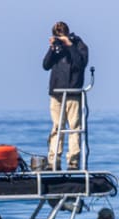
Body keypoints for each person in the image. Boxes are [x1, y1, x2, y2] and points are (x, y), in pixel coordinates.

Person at [42, 21, 89, 170]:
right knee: (57, 127)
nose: (60, 37)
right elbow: (45, 65)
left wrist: (69, 44)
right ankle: (53, 161)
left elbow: (80, 64)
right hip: (56, 94)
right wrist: (52, 48)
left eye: (61, 33)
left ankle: (73, 162)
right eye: (57, 34)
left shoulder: (79, 45)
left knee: (74, 128)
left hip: (73, 93)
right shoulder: (57, 48)